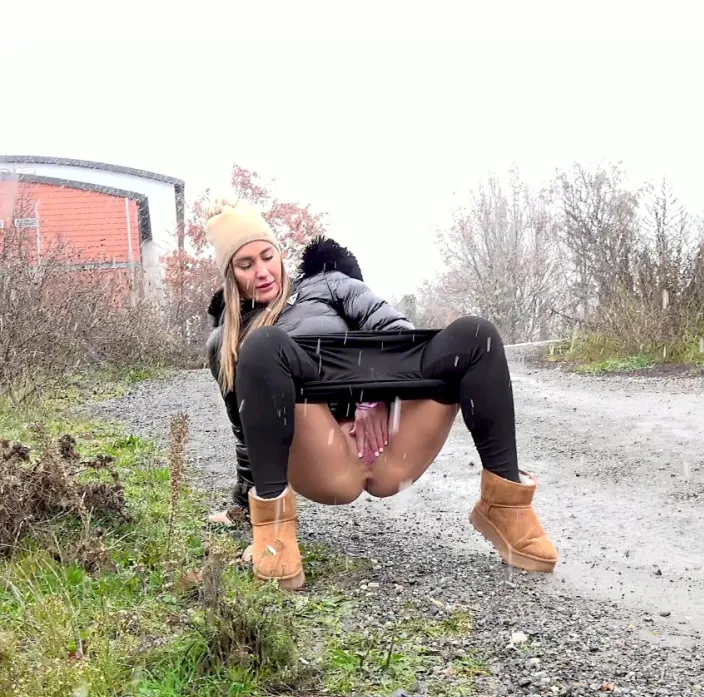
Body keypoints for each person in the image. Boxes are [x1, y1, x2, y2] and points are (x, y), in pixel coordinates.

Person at [205, 199, 558, 590]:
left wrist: (372, 398)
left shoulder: (328, 284)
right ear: (230, 275)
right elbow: (247, 433)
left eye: (267, 256)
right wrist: (244, 506)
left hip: (390, 446)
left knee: (476, 336)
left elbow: (398, 337)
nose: (262, 272)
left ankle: (505, 507)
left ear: (279, 254)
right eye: (246, 264)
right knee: (264, 345)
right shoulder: (227, 339)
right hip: (326, 461)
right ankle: (272, 533)